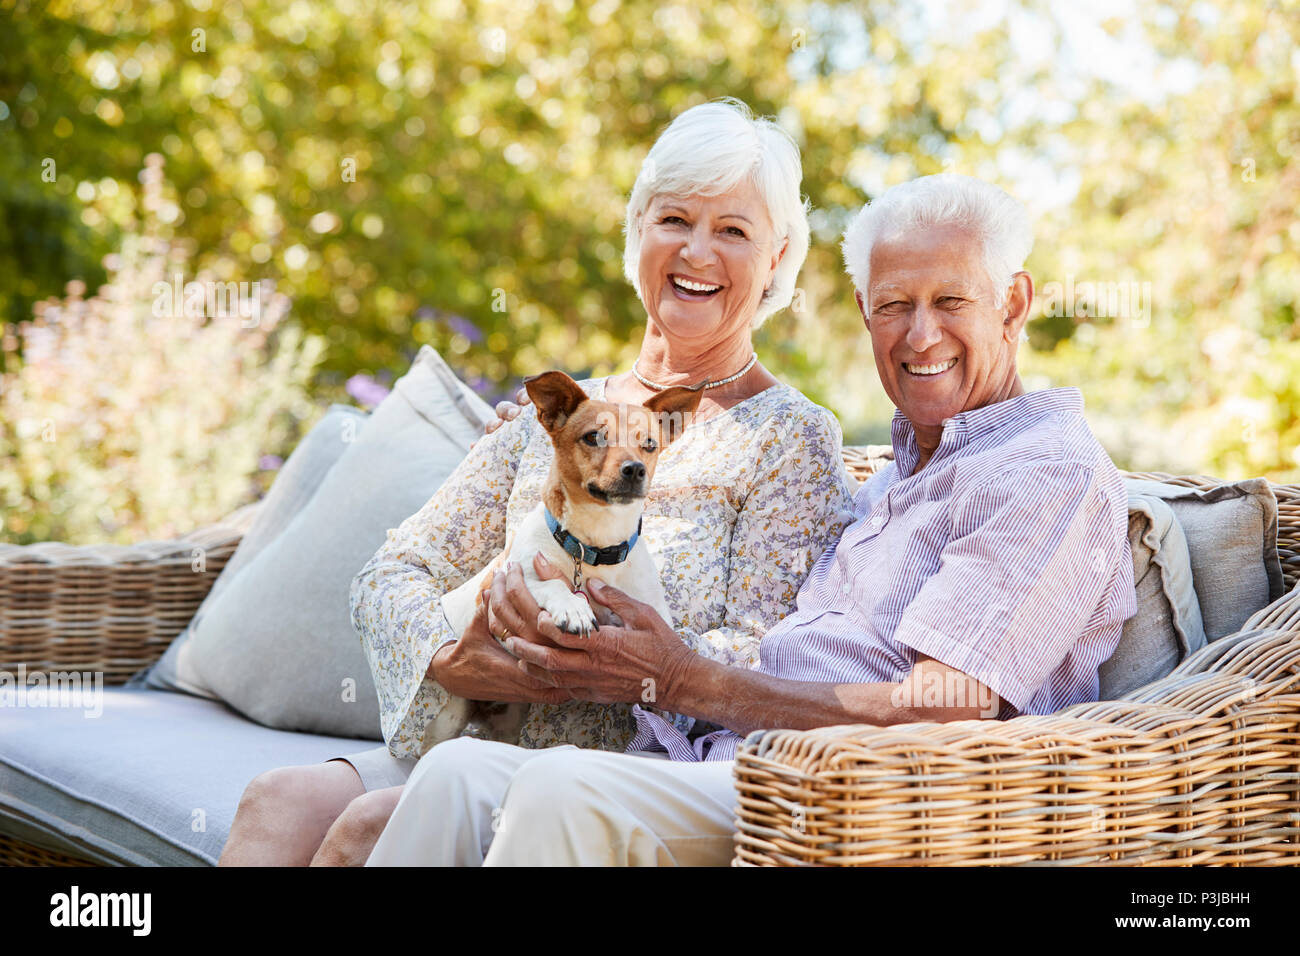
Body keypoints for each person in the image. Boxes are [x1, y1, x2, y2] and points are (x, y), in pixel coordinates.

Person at [364, 173, 1138, 866]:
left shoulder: (1045, 474)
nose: (920, 335)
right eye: (894, 305)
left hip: (837, 799)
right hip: (724, 756)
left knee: (563, 789)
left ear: (1014, 304)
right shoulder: (908, 472)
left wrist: (684, 679)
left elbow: (952, 703)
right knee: (457, 774)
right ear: (866, 314)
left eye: (951, 301)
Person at [218, 98, 857, 866]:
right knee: (276, 800)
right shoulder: (547, 417)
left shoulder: (788, 436)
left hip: (630, 766)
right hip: (486, 727)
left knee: (366, 831)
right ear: (638, 231)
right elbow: (393, 571)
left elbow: (773, 647)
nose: (696, 252)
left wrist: (622, 661)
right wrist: (450, 657)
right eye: (675, 220)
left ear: (777, 258)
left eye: (733, 230)